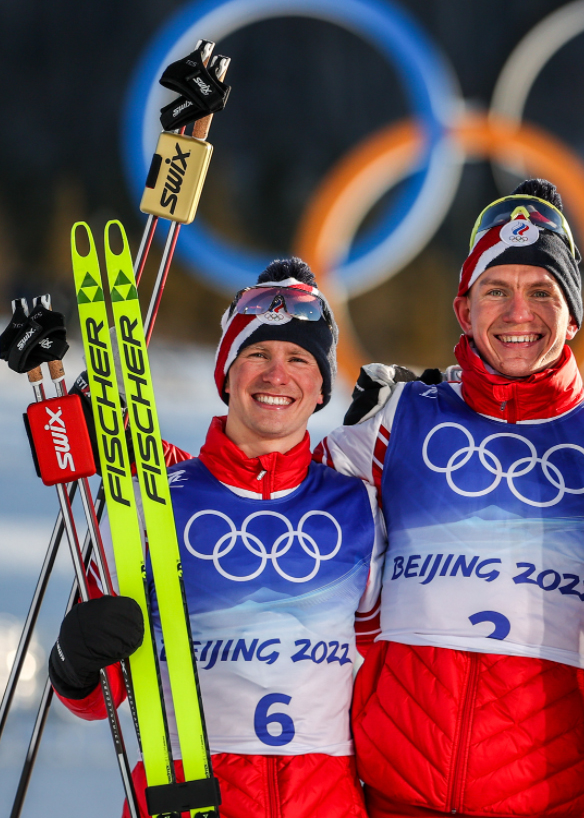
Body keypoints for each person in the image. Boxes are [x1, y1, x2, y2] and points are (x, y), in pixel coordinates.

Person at [318, 178, 584, 818]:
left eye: (542, 292)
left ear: (573, 314)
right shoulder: (399, 422)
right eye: (496, 290)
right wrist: (153, 462)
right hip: (399, 792)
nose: (517, 313)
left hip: (558, 796)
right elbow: (269, 506)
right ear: (464, 307)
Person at [47, 259, 384, 818]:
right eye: (257, 353)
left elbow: (391, 669)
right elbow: (96, 697)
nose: (277, 375)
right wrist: (73, 663)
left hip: (326, 802)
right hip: (185, 796)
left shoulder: (358, 506)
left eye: (299, 358)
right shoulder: (152, 501)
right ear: (227, 372)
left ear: (321, 383)